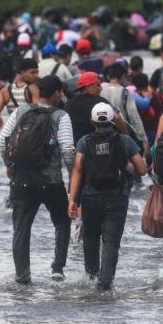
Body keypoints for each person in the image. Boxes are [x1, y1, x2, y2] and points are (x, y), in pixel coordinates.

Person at [0, 75, 74, 284]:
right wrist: (73, 179)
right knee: (62, 222)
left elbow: (1, 143)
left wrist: (9, 164)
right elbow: (68, 150)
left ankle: (22, 275)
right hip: (51, 181)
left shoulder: (21, 111)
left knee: (21, 228)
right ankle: (57, 269)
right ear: (56, 93)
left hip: (21, 180)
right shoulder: (61, 116)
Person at [67, 102, 146, 290]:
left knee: (90, 238)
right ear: (112, 120)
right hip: (117, 197)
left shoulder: (84, 141)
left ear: (92, 121)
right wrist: (127, 167)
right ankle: (105, 284)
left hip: (90, 196)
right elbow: (142, 169)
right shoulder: (124, 141)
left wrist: (72, 199)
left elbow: (78, 169)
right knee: (111, 242)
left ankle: (91, 278)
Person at [0, 58, 39, 141]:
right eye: (32, 72)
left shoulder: (5, 91)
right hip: (30, 134)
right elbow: (38, 112)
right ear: (22, 72)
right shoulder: (34, 89)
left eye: (37, 72)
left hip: (13, 134)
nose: (36, 75)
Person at [100, 62, 148, 150]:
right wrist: (143, 139)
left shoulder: (100, 92)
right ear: (122, 76)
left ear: (109, 76)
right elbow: (134, 118)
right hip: (122, 136)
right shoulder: (126, 93)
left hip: (103, 137)